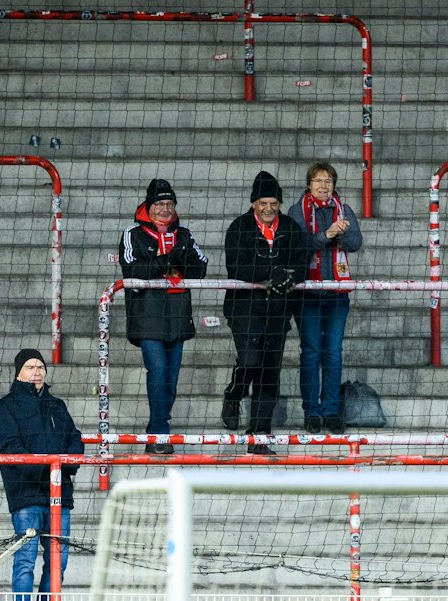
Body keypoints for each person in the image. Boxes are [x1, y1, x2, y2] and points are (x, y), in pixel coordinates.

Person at [0, 348, 82, 601]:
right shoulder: (6, 407)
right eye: (30, 367)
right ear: (18, 373)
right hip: (26, 496)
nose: (37, 372)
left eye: (40, 366)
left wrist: (64, 466)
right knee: (25, 562)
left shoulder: (57, 406)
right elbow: (9, 447)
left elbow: (75, 441)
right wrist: (50, 468)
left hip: (59, 496)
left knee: (58, 563)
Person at [221, 171, 309, 454]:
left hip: (278, 310)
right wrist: (273, 272)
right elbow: (236, 267)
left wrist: (289, 277)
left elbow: (302, 263)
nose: (269, 208)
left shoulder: (291, 228)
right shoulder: (239, 227)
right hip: (244, 308)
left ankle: (259, 434)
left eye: (273, 203)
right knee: (251, 360)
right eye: (263, 203)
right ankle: (234, 393)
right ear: (253, 203)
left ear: (279, 203)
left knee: (270, 372)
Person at [119, 178, 208, 455]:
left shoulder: (185, 233)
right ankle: (160, 432)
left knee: (170, 378)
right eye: (159, 204)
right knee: (157, 371)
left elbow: (201, 268)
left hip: (178, 314)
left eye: (169, 204)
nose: (165, 209)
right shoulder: (133, 233)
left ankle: (156, 429)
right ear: (149, 206)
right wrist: (169, 259)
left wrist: (182, 258)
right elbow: (132, 269)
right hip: (148, 316)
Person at [294, 162, 362, 433]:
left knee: (333, 353)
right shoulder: (297, 210)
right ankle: (312, 411)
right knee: (311, 352)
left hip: (337, 292)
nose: (323, 186)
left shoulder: (345, 210)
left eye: (328, 181)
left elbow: (356, 242)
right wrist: (328, 234)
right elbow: (300, 245)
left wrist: (340, 235)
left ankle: (332, 410)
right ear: (308, 184)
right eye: (318, 181)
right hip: (308, 293)